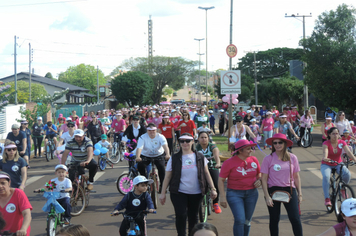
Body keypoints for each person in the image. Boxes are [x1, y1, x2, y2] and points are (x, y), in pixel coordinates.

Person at [159, 133, 217, 236]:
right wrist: (162, 193)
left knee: (193, 216)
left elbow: (206, 173)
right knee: (181, 215)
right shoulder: (174, 158)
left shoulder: (199, 156)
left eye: (188, 141)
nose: (185, 143)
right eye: (182, 141)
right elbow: (167, 177)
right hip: (178, 192)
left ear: (192, 142)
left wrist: (213, 188)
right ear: (179, 143)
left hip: (197, 192)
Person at [261, 133, 303, 236]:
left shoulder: (292, 158)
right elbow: (264, 178)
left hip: (290, 190)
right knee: (274, 219)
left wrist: (300, 194)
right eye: (275, 143)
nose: (277, 145)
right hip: (272, 190)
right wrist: (267, 196)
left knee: (295, 218)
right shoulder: (268, 158)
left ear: (285, 144)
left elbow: (296, 176)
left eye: (280, 142)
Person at [219, 139, 261, 236]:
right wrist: (222, 197)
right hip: (234, 194)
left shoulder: (254, 160)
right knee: (240, 219)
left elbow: (259, 173)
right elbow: (221, 180)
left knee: (247, 221)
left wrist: (259, 180)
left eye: (251, 148)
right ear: (240, 151)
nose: (251, 150)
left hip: (252, 194)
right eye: (248, 149)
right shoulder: (229, 162)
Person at [321, 127, 356, 206]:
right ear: (329, 135)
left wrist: (354, 159)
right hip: (326, 164)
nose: (335, 135)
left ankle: (343, 189)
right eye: (333, 134)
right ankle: (327, 198)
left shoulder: (342, 142)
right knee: (326, 176)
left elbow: (348, 151)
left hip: (337, 163)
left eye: (337, 133)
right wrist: (325, 158)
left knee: (347, 174)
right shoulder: (326, 143)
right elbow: (325, 151)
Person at [136, 123, 170, 192]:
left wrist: (168, 154)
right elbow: (139, 148)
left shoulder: (161, 136)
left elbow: (165, 146)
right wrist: (138, 156)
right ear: (147, 131)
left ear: (156, 130)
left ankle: (162, 186)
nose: (151, 132)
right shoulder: (142, 137)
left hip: (159, 155)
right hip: (146, 155)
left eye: (153, 130)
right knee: (140, 166)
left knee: (161, 167)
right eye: (149, 131)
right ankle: (145, 183)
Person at [196, 131, 221, 214]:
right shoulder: (196, 147)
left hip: (212, 167)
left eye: (205, 137)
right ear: (198, 138)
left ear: (208, 138)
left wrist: (217, 163)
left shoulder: (212, 146)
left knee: (216, 184)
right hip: (200, 168)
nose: (204, 139)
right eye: (202, 137)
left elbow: (216, 155)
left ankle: (215, 203)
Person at [0, 171, 32, 236]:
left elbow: (27, 214)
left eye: (3, 183)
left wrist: (23, 229)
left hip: (18, 233)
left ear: (9, 183)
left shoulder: (18, 193)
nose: (0, 186)